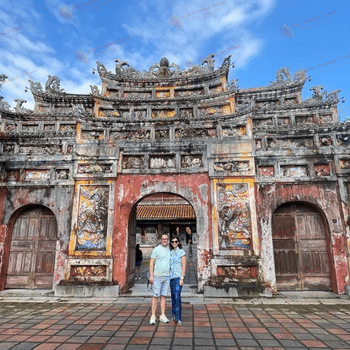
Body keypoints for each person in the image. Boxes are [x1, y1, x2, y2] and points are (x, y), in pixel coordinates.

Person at [149, 233, 170, 325]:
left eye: (166, 239)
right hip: (157, 276)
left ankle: (162, 315)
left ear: (168, 240)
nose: (164, 240)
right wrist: (151, 275)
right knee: (155, 296)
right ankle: (153, 316)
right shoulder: (156, 249)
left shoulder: (170, 249)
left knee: (164, 296)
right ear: (160, 240)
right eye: (163, 239)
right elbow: (151, 262)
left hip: (167, 276)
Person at [170, 235, 186, 325]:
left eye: (176, 241)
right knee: (173, 297)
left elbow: (184, 266)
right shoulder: (171, 252)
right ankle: (174, 315)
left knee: (177, 297)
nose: (174, 243)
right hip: (171, 277)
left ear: (178, 242)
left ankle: (179, 317)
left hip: (178, 277)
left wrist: (182, 278)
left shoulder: (182, 252)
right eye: (173, 242)